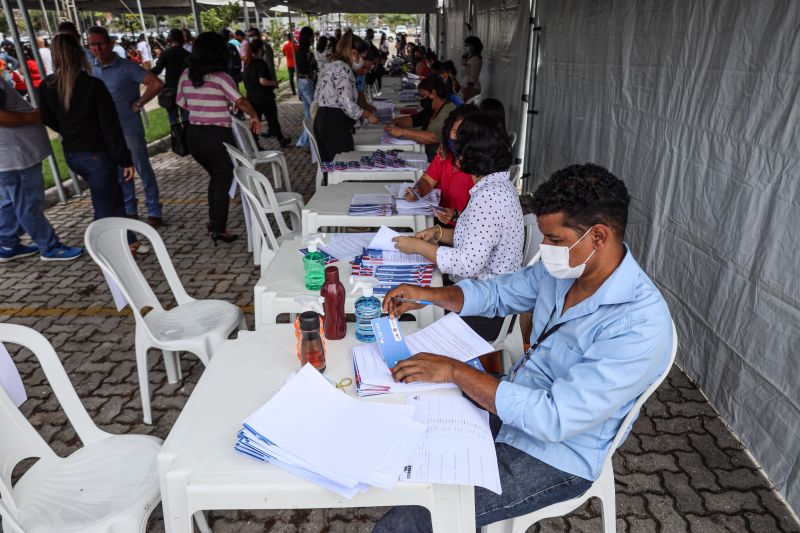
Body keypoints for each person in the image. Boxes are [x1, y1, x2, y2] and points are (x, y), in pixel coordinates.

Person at [374, 163, 674, 532]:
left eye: (555, 240)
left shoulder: (639, 324)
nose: (544, 249)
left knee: (408, 522)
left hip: (556, 453)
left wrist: (454, 369)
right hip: (515, 400)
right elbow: (499, 292)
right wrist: (431, 295)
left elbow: (555, 419)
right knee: (409, 409)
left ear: (598, 236)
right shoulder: (567, 271)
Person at [393, 112, 523, 339]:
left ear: (469, 154)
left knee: (408, 307)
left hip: (485, 310)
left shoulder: (488, 198)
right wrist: (439, 232)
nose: (455, 153)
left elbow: (467, 264)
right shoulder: (494, 186)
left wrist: (417, 247)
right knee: (416, 288)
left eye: (459, 146)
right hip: (480, 295)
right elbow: (476, 240)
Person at [38, 34, 139, 252]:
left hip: (74, 153)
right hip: (96, 155)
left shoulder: (47, 85)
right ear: (79, 53)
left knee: (113, 196)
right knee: (104, 206)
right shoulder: (92, 85)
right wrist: (125, 159)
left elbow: (47, 117)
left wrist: (67, 130)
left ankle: (129, 240)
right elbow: (110, 128)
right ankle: (104, 252)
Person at [176, 31, 261, 244]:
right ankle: (219, 228)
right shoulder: (221, 78)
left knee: (215, 179)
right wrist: (254, 115)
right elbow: (240, 101)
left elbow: (181, 103)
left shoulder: (186, 74)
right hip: (217, 136)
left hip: (194, 136)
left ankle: (214, 221)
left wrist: (202, 107)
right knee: (222, 182)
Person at [0, 74, 83, 261]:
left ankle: (7, 243)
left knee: (12, 200)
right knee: (28, 203)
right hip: (16, 155)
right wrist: (33, 117)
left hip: (12, 155)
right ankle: (50, 246)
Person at [88, 26, 165, 228]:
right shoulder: (89, 69)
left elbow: (156, 84)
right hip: (104, 131)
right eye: (92, 44)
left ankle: (154, 209)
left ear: (110, 44)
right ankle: (129, 208)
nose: (97, 48)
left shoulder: (127, 67)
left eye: (100, 43)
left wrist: (138, 104)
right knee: (120, 170)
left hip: (129, 127)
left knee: (142, 168)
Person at [402, 104, 479, 226]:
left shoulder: (481, 167)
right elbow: (427, 180)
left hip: (464, 231)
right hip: (437, 221)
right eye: (455, 132)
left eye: (465, 133)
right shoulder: (444, 154)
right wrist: (418, 190)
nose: (459, 137)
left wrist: (455, 214)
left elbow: (482, 216)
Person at [313, 30, 380, 163]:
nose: (361, 62)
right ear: (354, 54)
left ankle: (329, 184)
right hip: (334, 124)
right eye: (362, 57)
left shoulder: (330, 65)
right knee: (344, 167)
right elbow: (347, 103)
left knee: (330, 168)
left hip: (322, 120)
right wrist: (367, 115)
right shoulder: (344, 69)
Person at [385, 74, 456, 160]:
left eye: (423, 96)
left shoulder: (448, 111)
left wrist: (402, 132)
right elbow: (413, 120)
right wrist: (395, 122)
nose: (421, 100)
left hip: (439, 158)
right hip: (428, 152)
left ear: (433, 93)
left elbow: (432, 138)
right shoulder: (432, 110)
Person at [243, 37, 291, 148]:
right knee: (272, 119)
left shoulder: (246, 63)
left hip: (252, 98)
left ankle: (255, 144)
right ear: (260, 49)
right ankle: (281, 139)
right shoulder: (260, 63)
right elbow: (263, 81)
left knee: (256, 121)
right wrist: (274, 83)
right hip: (265, 98)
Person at [151, 28, 190, 126]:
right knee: (186, 119)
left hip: (171, 90)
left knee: (173, 120)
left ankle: (177, 137)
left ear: (170, 39)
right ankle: (187, 137)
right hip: (186, 90)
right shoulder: (188, 54)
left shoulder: (166, 53)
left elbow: (157, 70)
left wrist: (143, 72)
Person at [294, 26, 317, 150]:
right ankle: (306, 142)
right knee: (315, 113)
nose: (314, 38)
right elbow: (309, 71)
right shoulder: (306, 53)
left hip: (302, 83)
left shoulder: (300, 51)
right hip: (308, 84)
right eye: (312, 36)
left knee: (308, 115)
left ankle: (304, 142)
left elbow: (300, 72)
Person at [461, 35, 483, 102]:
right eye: (465, 45)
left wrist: (467, 92)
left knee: (468, 109)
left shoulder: (475, 59)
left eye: (467, 45)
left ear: (474, 46)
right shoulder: (471, 58)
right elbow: (464, 71)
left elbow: (473, 77)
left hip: (471, 88)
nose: (466, 47)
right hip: (468, 87)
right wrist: (464, 60)